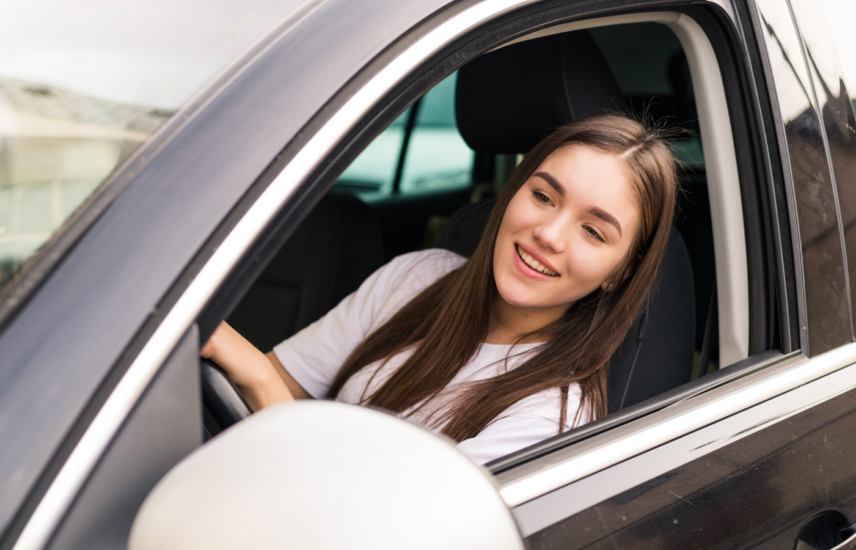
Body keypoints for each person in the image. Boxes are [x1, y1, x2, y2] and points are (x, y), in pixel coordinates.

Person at [201, 114, 678, 464]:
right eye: (542, 196)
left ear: (619, 272)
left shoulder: (549, 419)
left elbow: (380, 529)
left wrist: (259, 380)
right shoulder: (418, 277)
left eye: (593, 231)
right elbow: (272, 385)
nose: (549, 235)